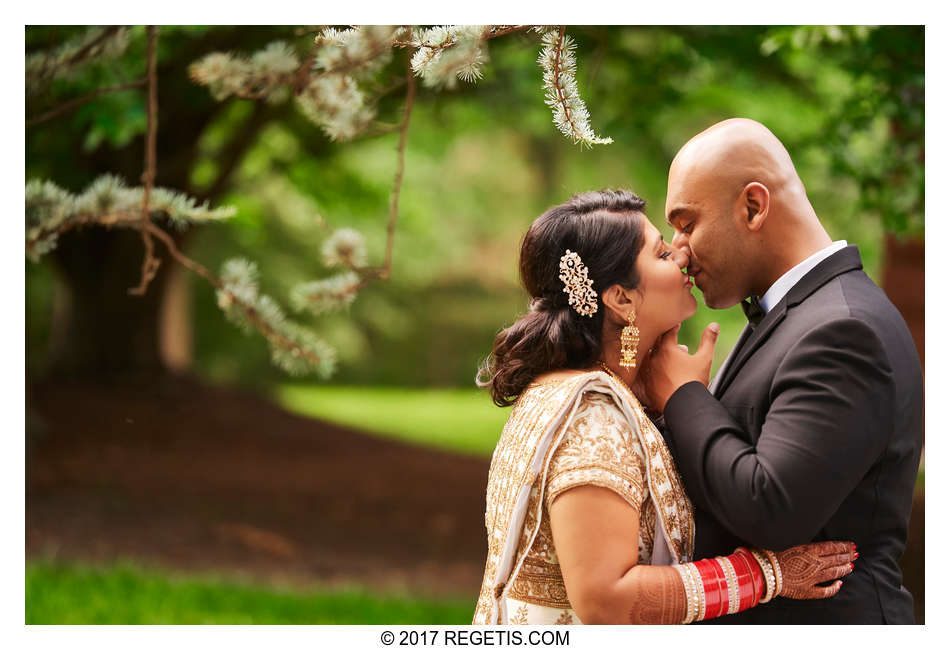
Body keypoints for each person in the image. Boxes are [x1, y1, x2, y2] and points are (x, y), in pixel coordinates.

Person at [472, 189, 855, 625]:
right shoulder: (593, 414)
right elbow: (604, 598)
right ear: (621, 299)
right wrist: (766, 575)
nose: (682, 254)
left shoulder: (580, 392)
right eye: (660, 252)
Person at [640, 118, 923, 624]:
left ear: (753, 206)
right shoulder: (793, 313)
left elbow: (771, 507)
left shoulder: (843, 329)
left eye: (686, 224)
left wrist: (684, 395)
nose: (678, 250)